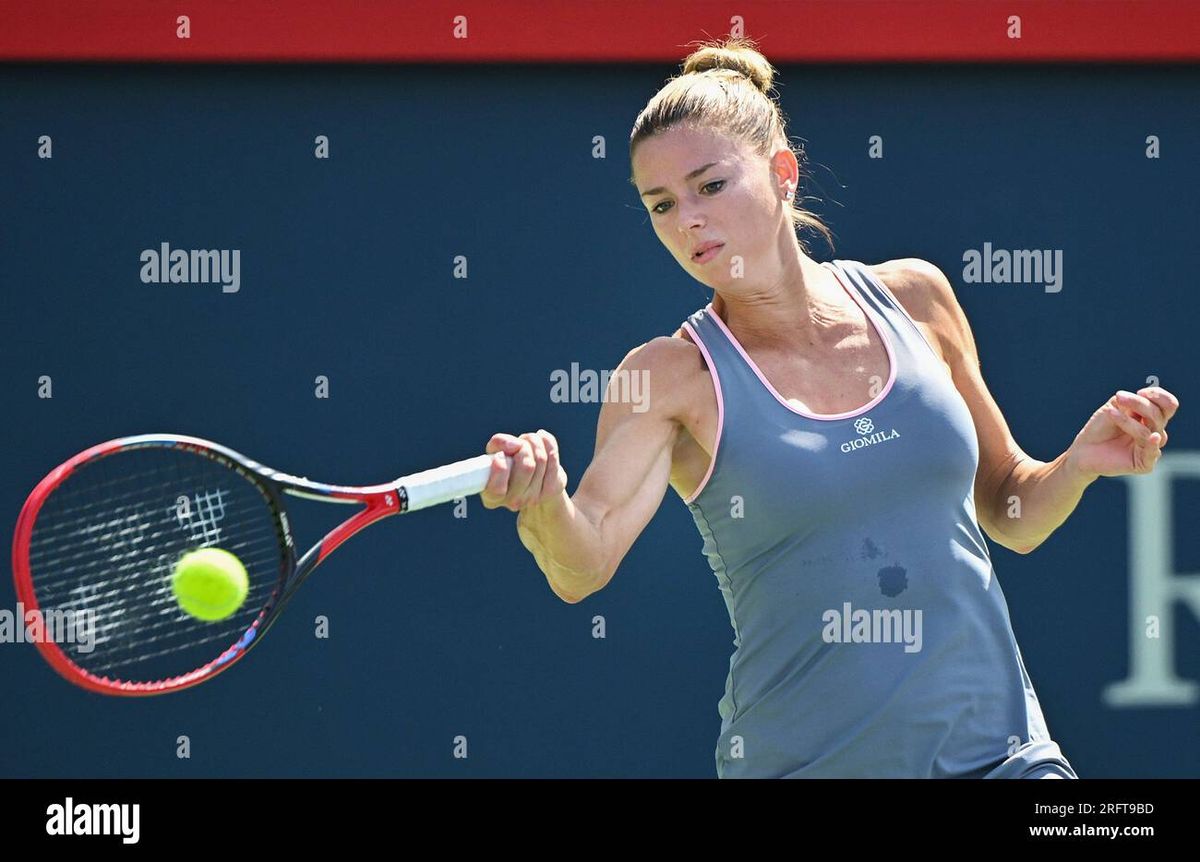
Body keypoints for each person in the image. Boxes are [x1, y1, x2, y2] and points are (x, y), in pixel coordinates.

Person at [480, 37, 1179, 778]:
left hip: (1005, 757)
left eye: (709, 186)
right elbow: (581, 564)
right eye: (661, 204)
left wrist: (1076, 466)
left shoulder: (918, 297)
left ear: (783, 173)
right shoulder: (663, 377)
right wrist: (546, 502)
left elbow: (1012, 512)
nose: (686, 219)